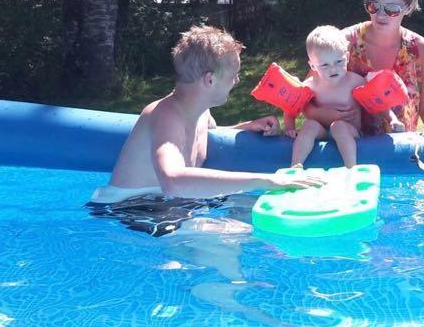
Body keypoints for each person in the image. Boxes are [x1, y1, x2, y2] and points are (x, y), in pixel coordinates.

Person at [89, 25, 325, 209]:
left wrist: (247, 126)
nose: (237, 81)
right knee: (224, 238)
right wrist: (265, 180)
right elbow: (172, 179)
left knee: (250, 211)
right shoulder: (166, 116)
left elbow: (205, 135)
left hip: (169, 201)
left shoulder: (200, 111)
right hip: (131, 206)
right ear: (209, 80)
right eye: (234, 75)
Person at [306, 0, 424, 135]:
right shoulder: (344, 42)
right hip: (351, 150)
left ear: (408, 7)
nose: (380, 15)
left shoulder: (418, 48)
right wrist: (320, 113)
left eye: (391, 9)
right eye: (373, 6)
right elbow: (304, 95)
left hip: (399, 153)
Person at [284, 26, 368, 167]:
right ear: (313, 66)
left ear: (347, 57)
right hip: (322, 132)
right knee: (309, 125)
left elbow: (377, 103)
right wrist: (289, 128)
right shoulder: (310, 85)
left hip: (350, 131)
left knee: (338, 126)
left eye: (339, 62)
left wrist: (391, 119)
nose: (333, 69)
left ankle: (351, 168)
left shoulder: (356, 82)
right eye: (324, 65)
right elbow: (290, 107)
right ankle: (295, 167)